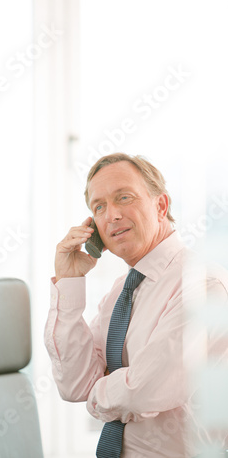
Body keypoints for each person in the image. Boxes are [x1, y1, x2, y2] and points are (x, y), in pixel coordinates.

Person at [44, 152, 228, 458]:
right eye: (98, 207)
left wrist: (97, 392)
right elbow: (74, 382)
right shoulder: (121, 292)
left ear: (161, 206)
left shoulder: (203, 285)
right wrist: (69, 281)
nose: (111, 215)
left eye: (124, 197)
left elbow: (143, 391)